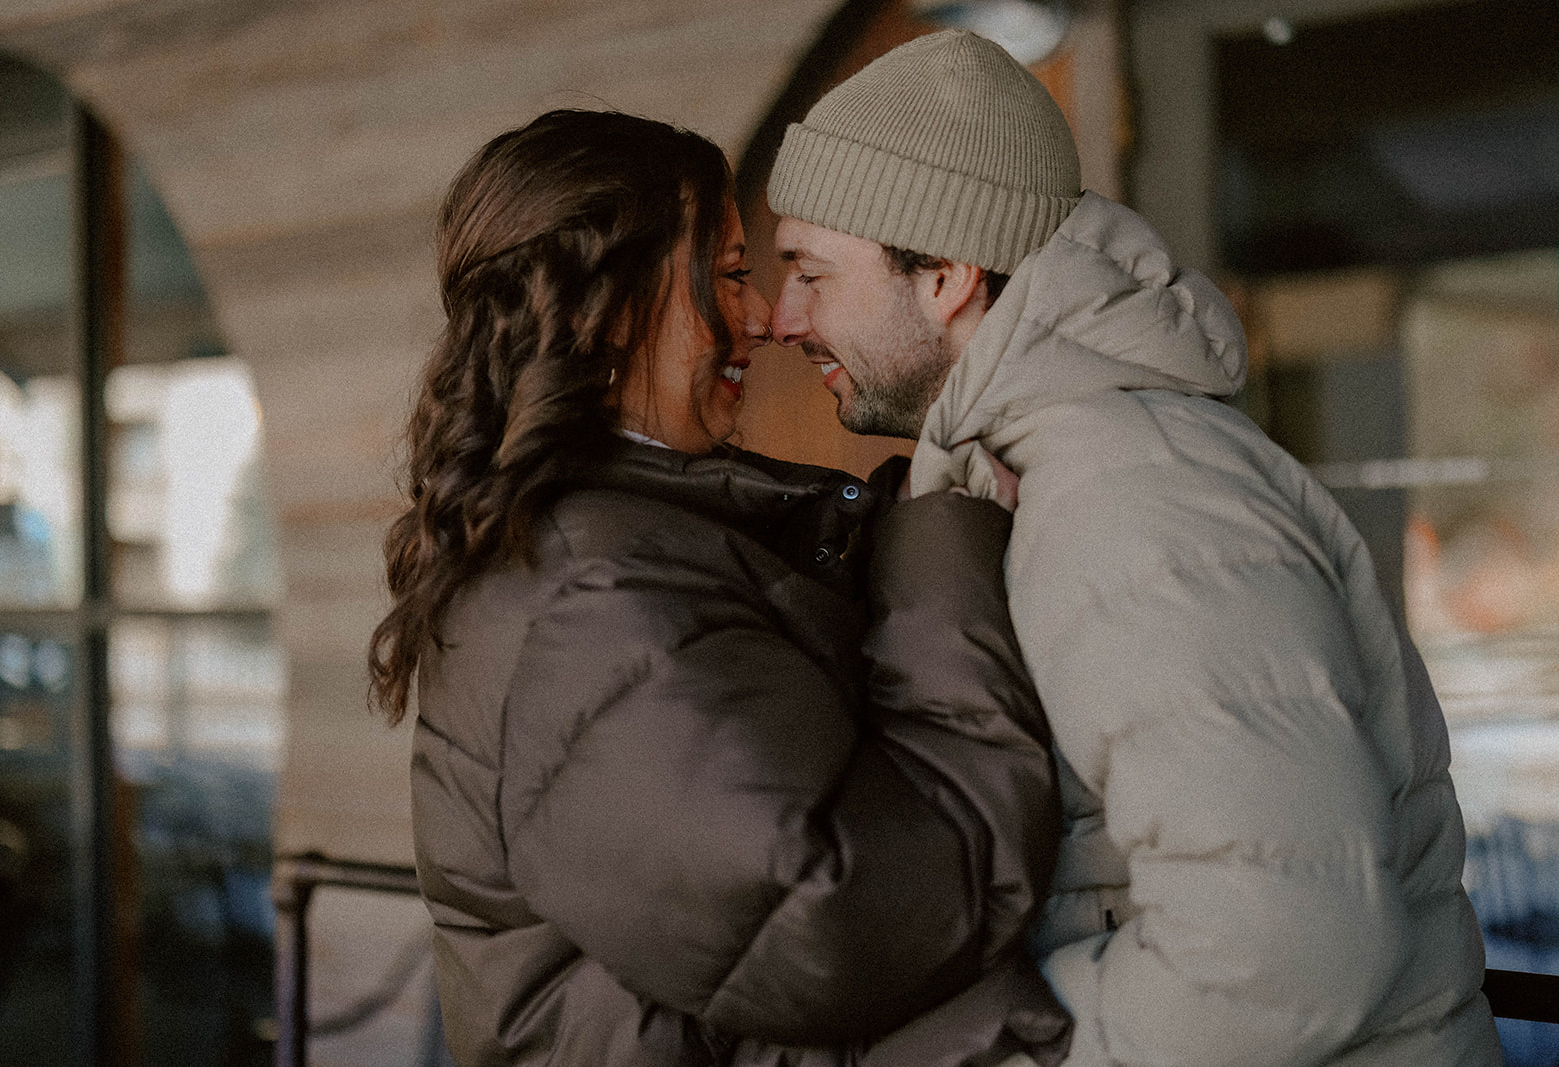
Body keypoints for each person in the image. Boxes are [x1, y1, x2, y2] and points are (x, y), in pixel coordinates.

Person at [767, 30, 1502, 1067]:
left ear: (942, 274)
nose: (778, 316)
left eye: (810, 272)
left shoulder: (1133, 500)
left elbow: (1283, 949)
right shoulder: (1051, 472)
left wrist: (997, 1053)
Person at [367, 108, 1073, 1067]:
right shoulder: (590, 595)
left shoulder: (613, 543)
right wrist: (944, 555)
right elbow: (848, 918)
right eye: (732, 274)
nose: (762, 320)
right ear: (613, 307)